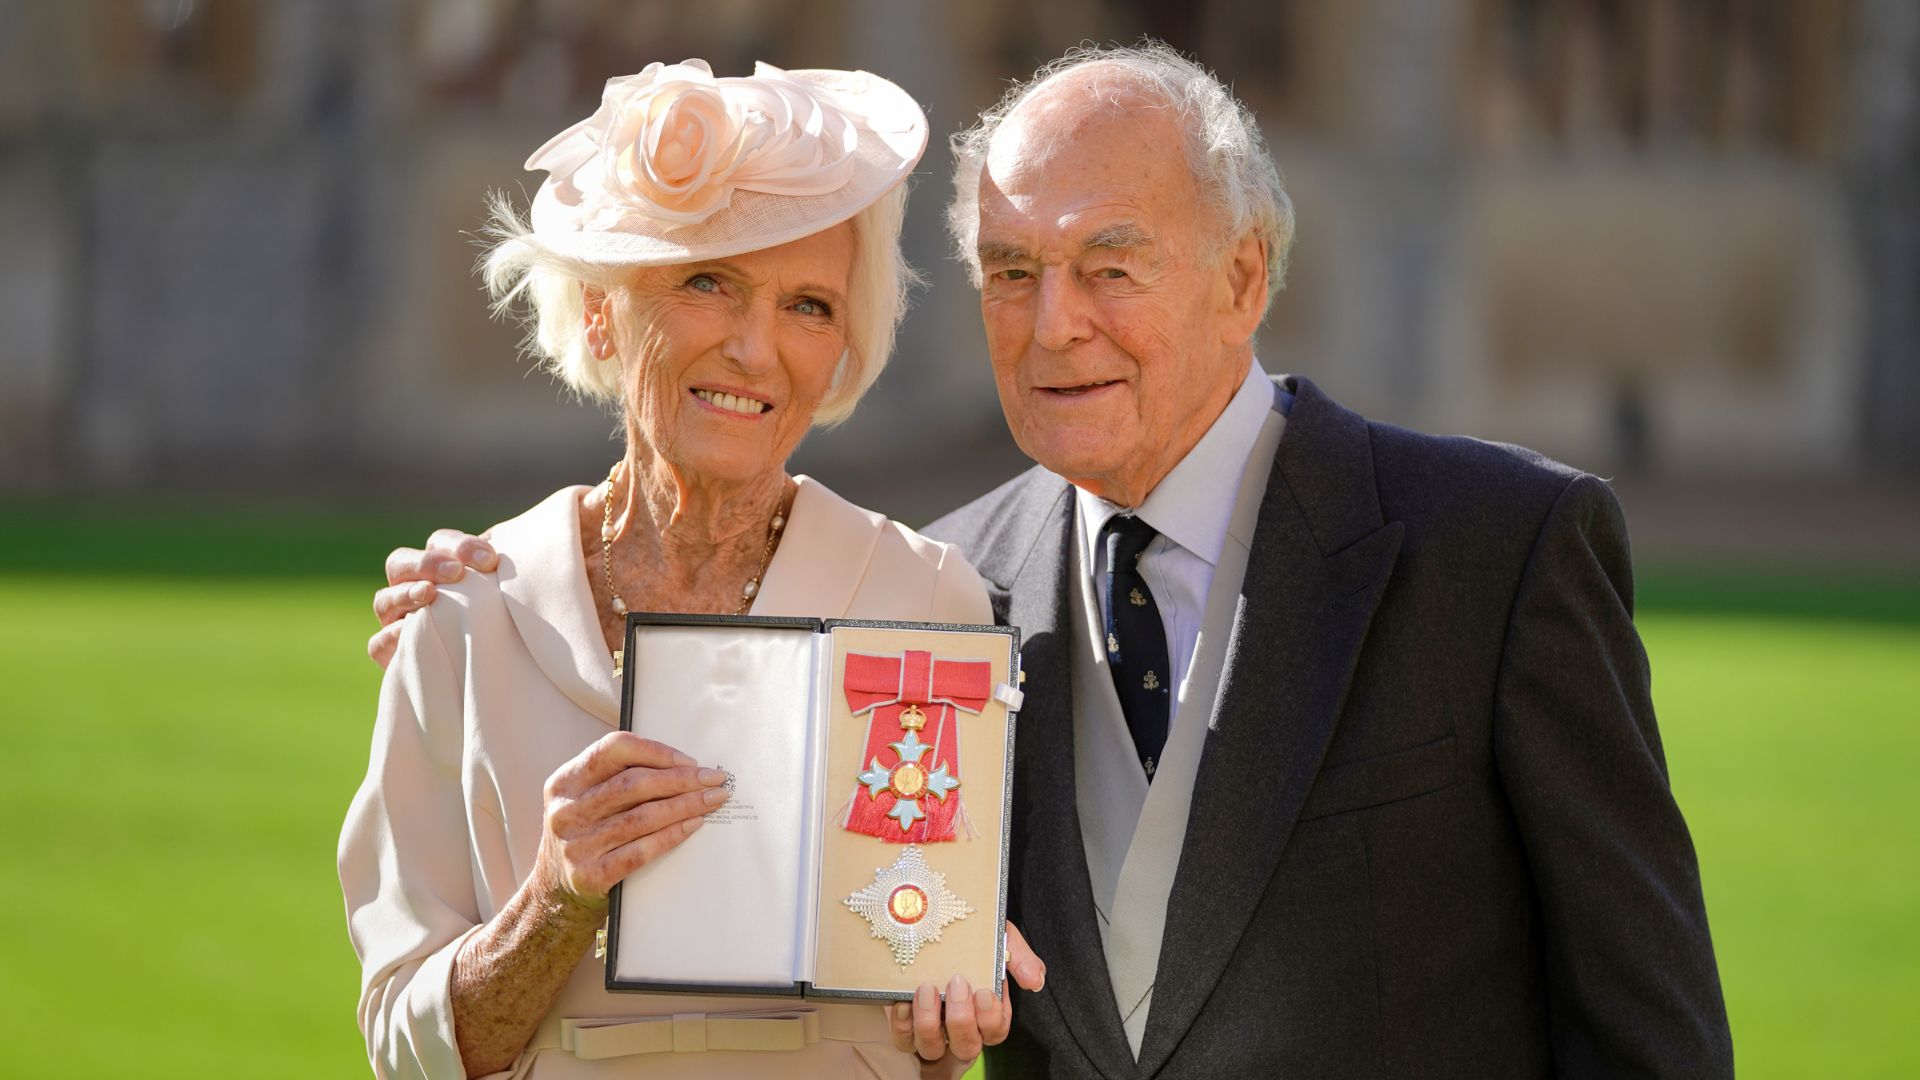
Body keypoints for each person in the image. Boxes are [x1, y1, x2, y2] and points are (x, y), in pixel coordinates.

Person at [378, 44, 1735, 1078]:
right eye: (1012, 272)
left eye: (1112, 267)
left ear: (1245, 276)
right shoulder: (952, 590)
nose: (1053, 326)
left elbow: (1649, 1025)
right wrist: (490, 592)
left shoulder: (1494, 550)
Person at [339, 58, 1043, 1080]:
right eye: (707, 282)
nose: (756, 349)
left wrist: (950, 1003)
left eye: (808, 305)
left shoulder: (925, 596)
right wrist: (555, 898)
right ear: (598, 313)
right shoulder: (463, 618)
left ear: (844, 346)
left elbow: (936, 999)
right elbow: (404, 1047)